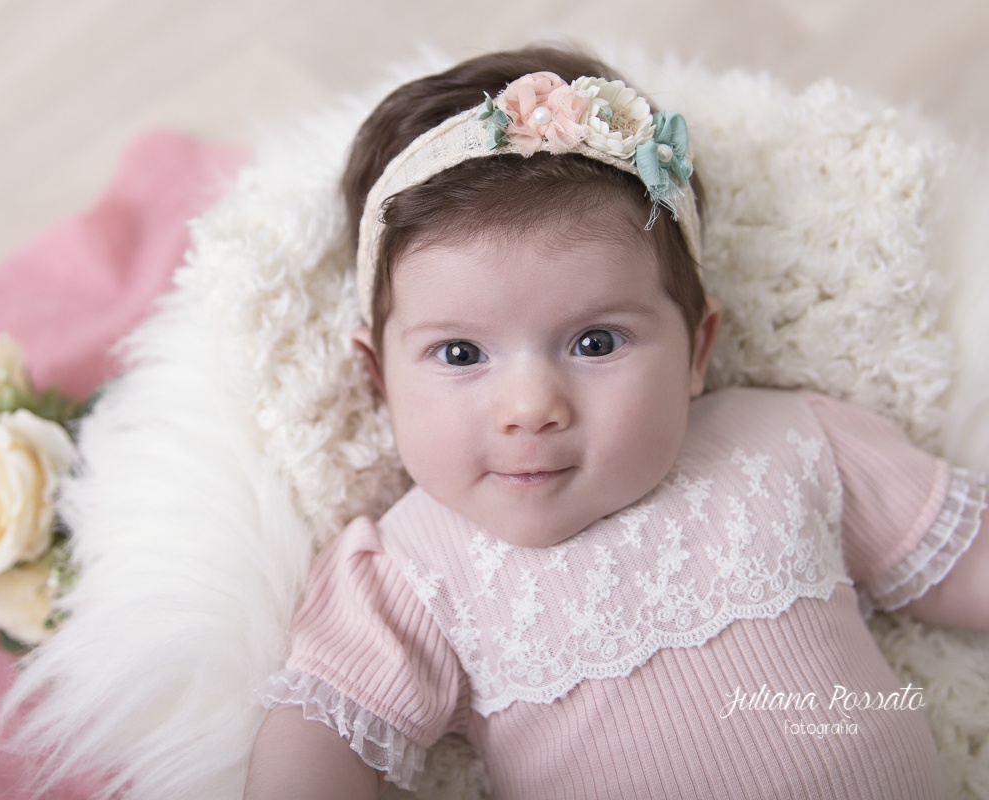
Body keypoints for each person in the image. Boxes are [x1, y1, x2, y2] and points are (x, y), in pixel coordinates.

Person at [242, 45, 989, 800]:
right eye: (461, 353)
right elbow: (319, 742)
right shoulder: (409, 567)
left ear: (698, 348)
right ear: (379, 378)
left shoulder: (790, 440)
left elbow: (964, 560)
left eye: (596, 343)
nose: (530, 408)